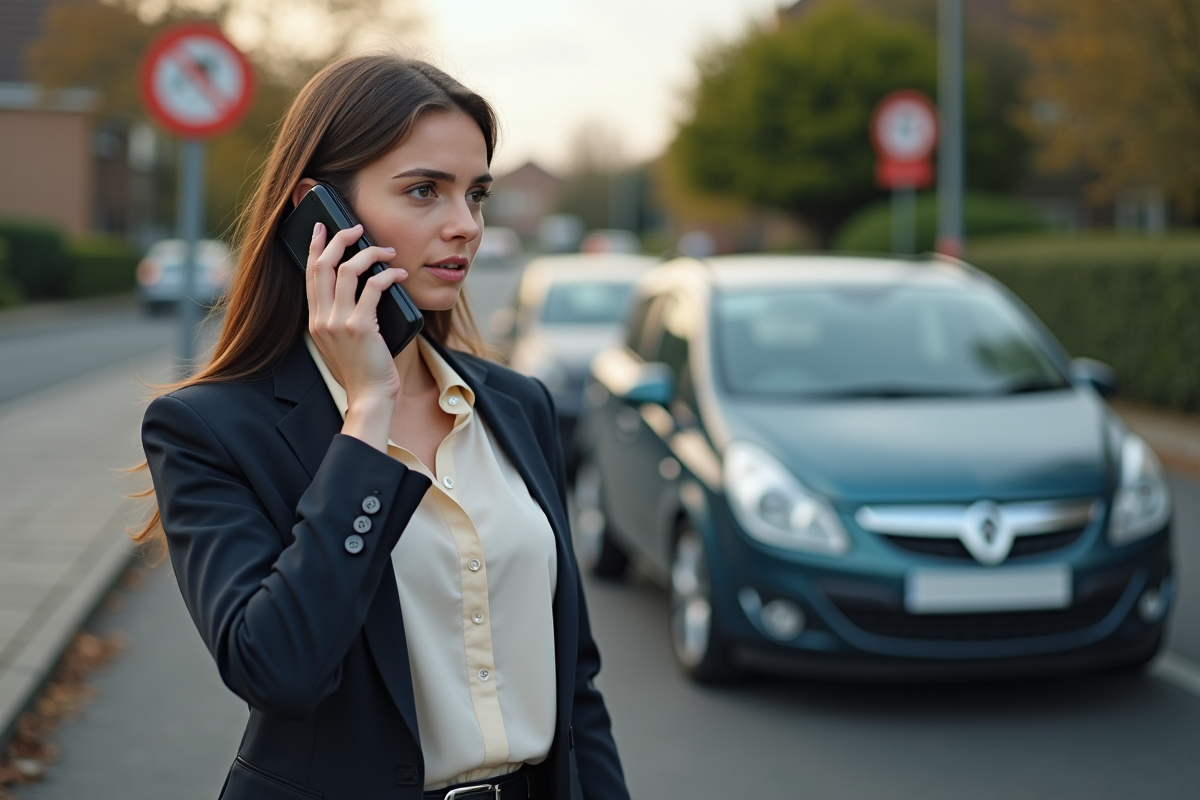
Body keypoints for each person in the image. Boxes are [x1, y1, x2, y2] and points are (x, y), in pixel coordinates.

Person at [135, 54, 630, 800]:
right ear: (318, 212)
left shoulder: (516, 404)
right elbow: (278, 671)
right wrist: (367, 411)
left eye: (477, 193)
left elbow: (576, 683)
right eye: (425, 190)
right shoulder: (207, 429)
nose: (466, 226)